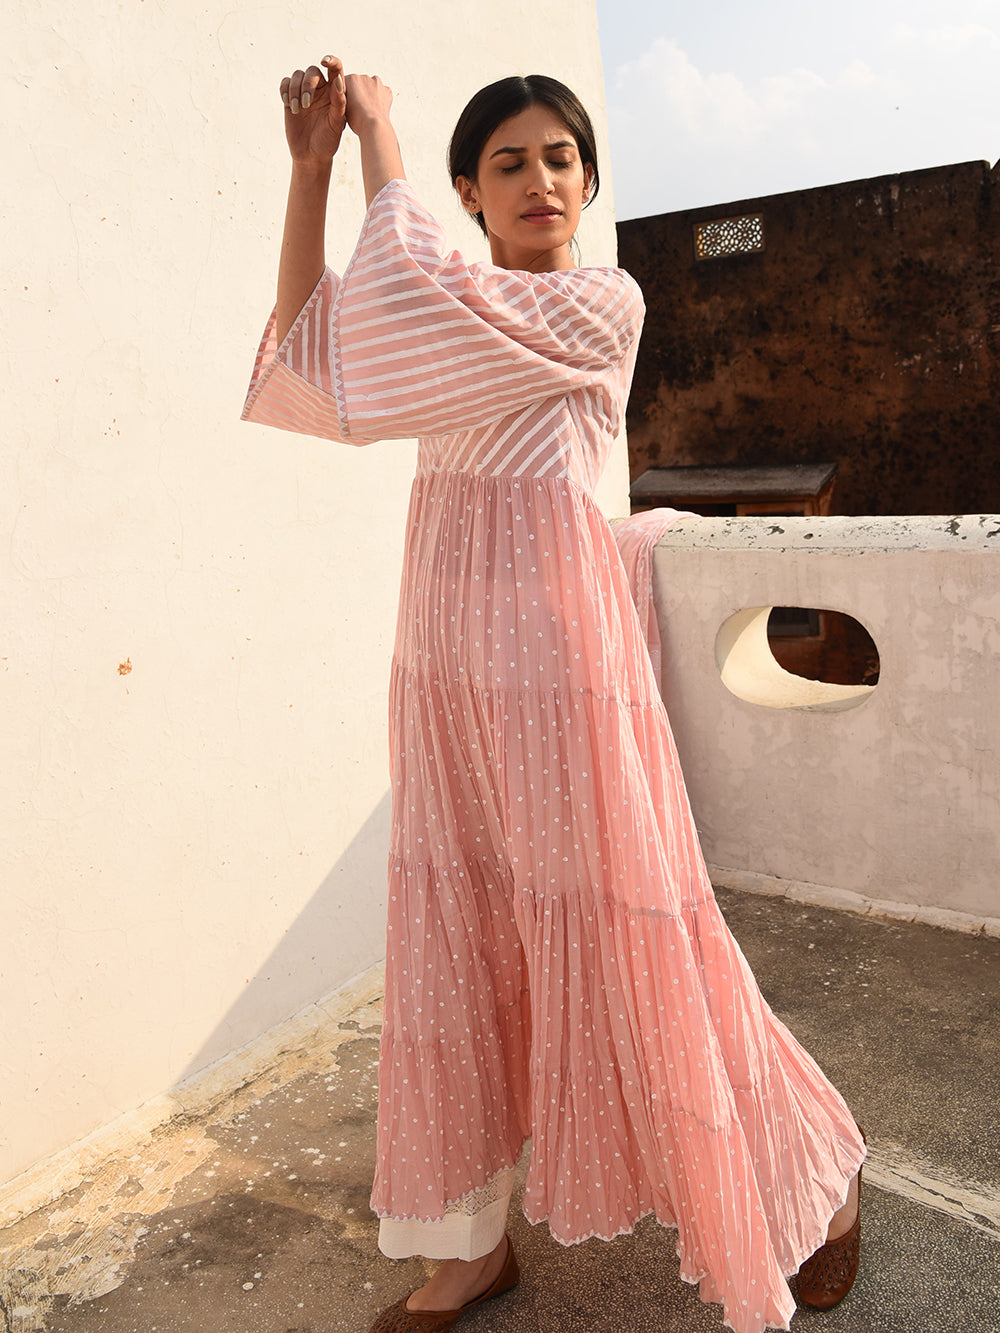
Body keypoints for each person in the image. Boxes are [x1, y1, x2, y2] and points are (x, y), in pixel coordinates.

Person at [242, 57, 866, 1333]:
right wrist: (311, 172)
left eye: (561, 158)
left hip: (560, 673)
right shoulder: (448, 305)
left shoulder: (597, 303)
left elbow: (409, 297)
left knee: (645, 940)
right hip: (444, 664)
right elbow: (321, 372)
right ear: (470, 192)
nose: (540, 180)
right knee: (456, 950)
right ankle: (467, 1248)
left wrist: (380, 135)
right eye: (509, 162)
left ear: (588, 183)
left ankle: (816, 1173)